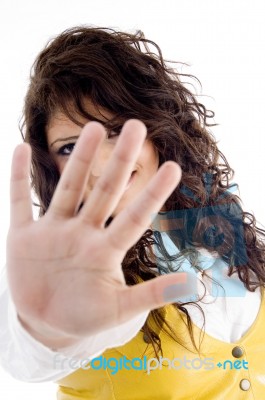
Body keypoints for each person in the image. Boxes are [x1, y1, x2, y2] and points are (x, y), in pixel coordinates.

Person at [0, 26, 265, 399]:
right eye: (71, 148)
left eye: (118, 130)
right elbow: (25, 351)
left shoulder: (216, 226)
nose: (102, 161)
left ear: (160, 129)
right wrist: (47, 328)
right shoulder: (61, 268)